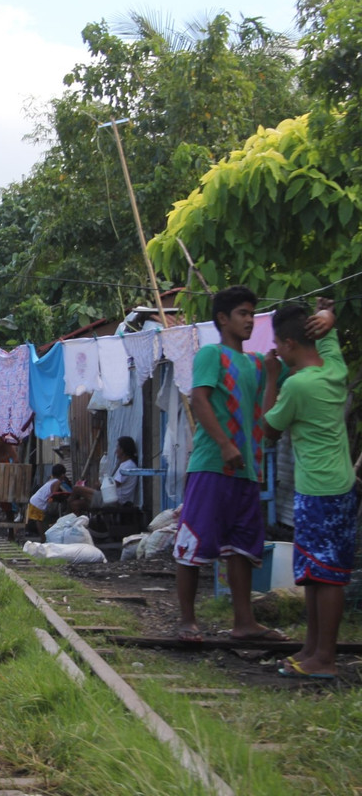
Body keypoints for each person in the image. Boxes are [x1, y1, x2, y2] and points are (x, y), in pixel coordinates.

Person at [173, 285, 287, 643]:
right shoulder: (212, 355)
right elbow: (199, 398)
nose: (250, 320)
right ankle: (188, 621)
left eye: (253, 313)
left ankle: (244, 622)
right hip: (211, 464)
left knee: (243, 547)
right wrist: (223, 444)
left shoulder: (256, 363)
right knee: (194, 542)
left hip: (248, 469)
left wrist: (271, 376)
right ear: (223, 319)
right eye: (243, 313)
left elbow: (266, 416)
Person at [263, 299, 355, 678]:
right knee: (317, 572)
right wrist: (328, 314)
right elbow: (328, 333)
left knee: (326, 575)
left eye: (277, 345)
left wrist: (271, 378)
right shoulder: (334, 370)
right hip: (337, 485)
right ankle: (314, 649)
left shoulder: (296, 385)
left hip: (318, 489)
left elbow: (268, 431)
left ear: (287, 344)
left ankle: (325, 658)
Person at [26, 463, 72, 539]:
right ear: (62, 475)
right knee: (38, 520)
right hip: (38, 503)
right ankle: (43, 538)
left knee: (32, 518)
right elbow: (54, 493)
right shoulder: (57, 482)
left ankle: (20, 533)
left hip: (35, 500)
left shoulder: (52, 479)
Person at [111, 436, 139, 505]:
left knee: (79, 489)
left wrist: (101, 485)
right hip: (111, 497)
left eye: (117, 447)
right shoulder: (124, 464)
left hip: (117, 500)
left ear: (122, 450)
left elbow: (115, 484)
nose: (115, 451)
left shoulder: (128, 465)